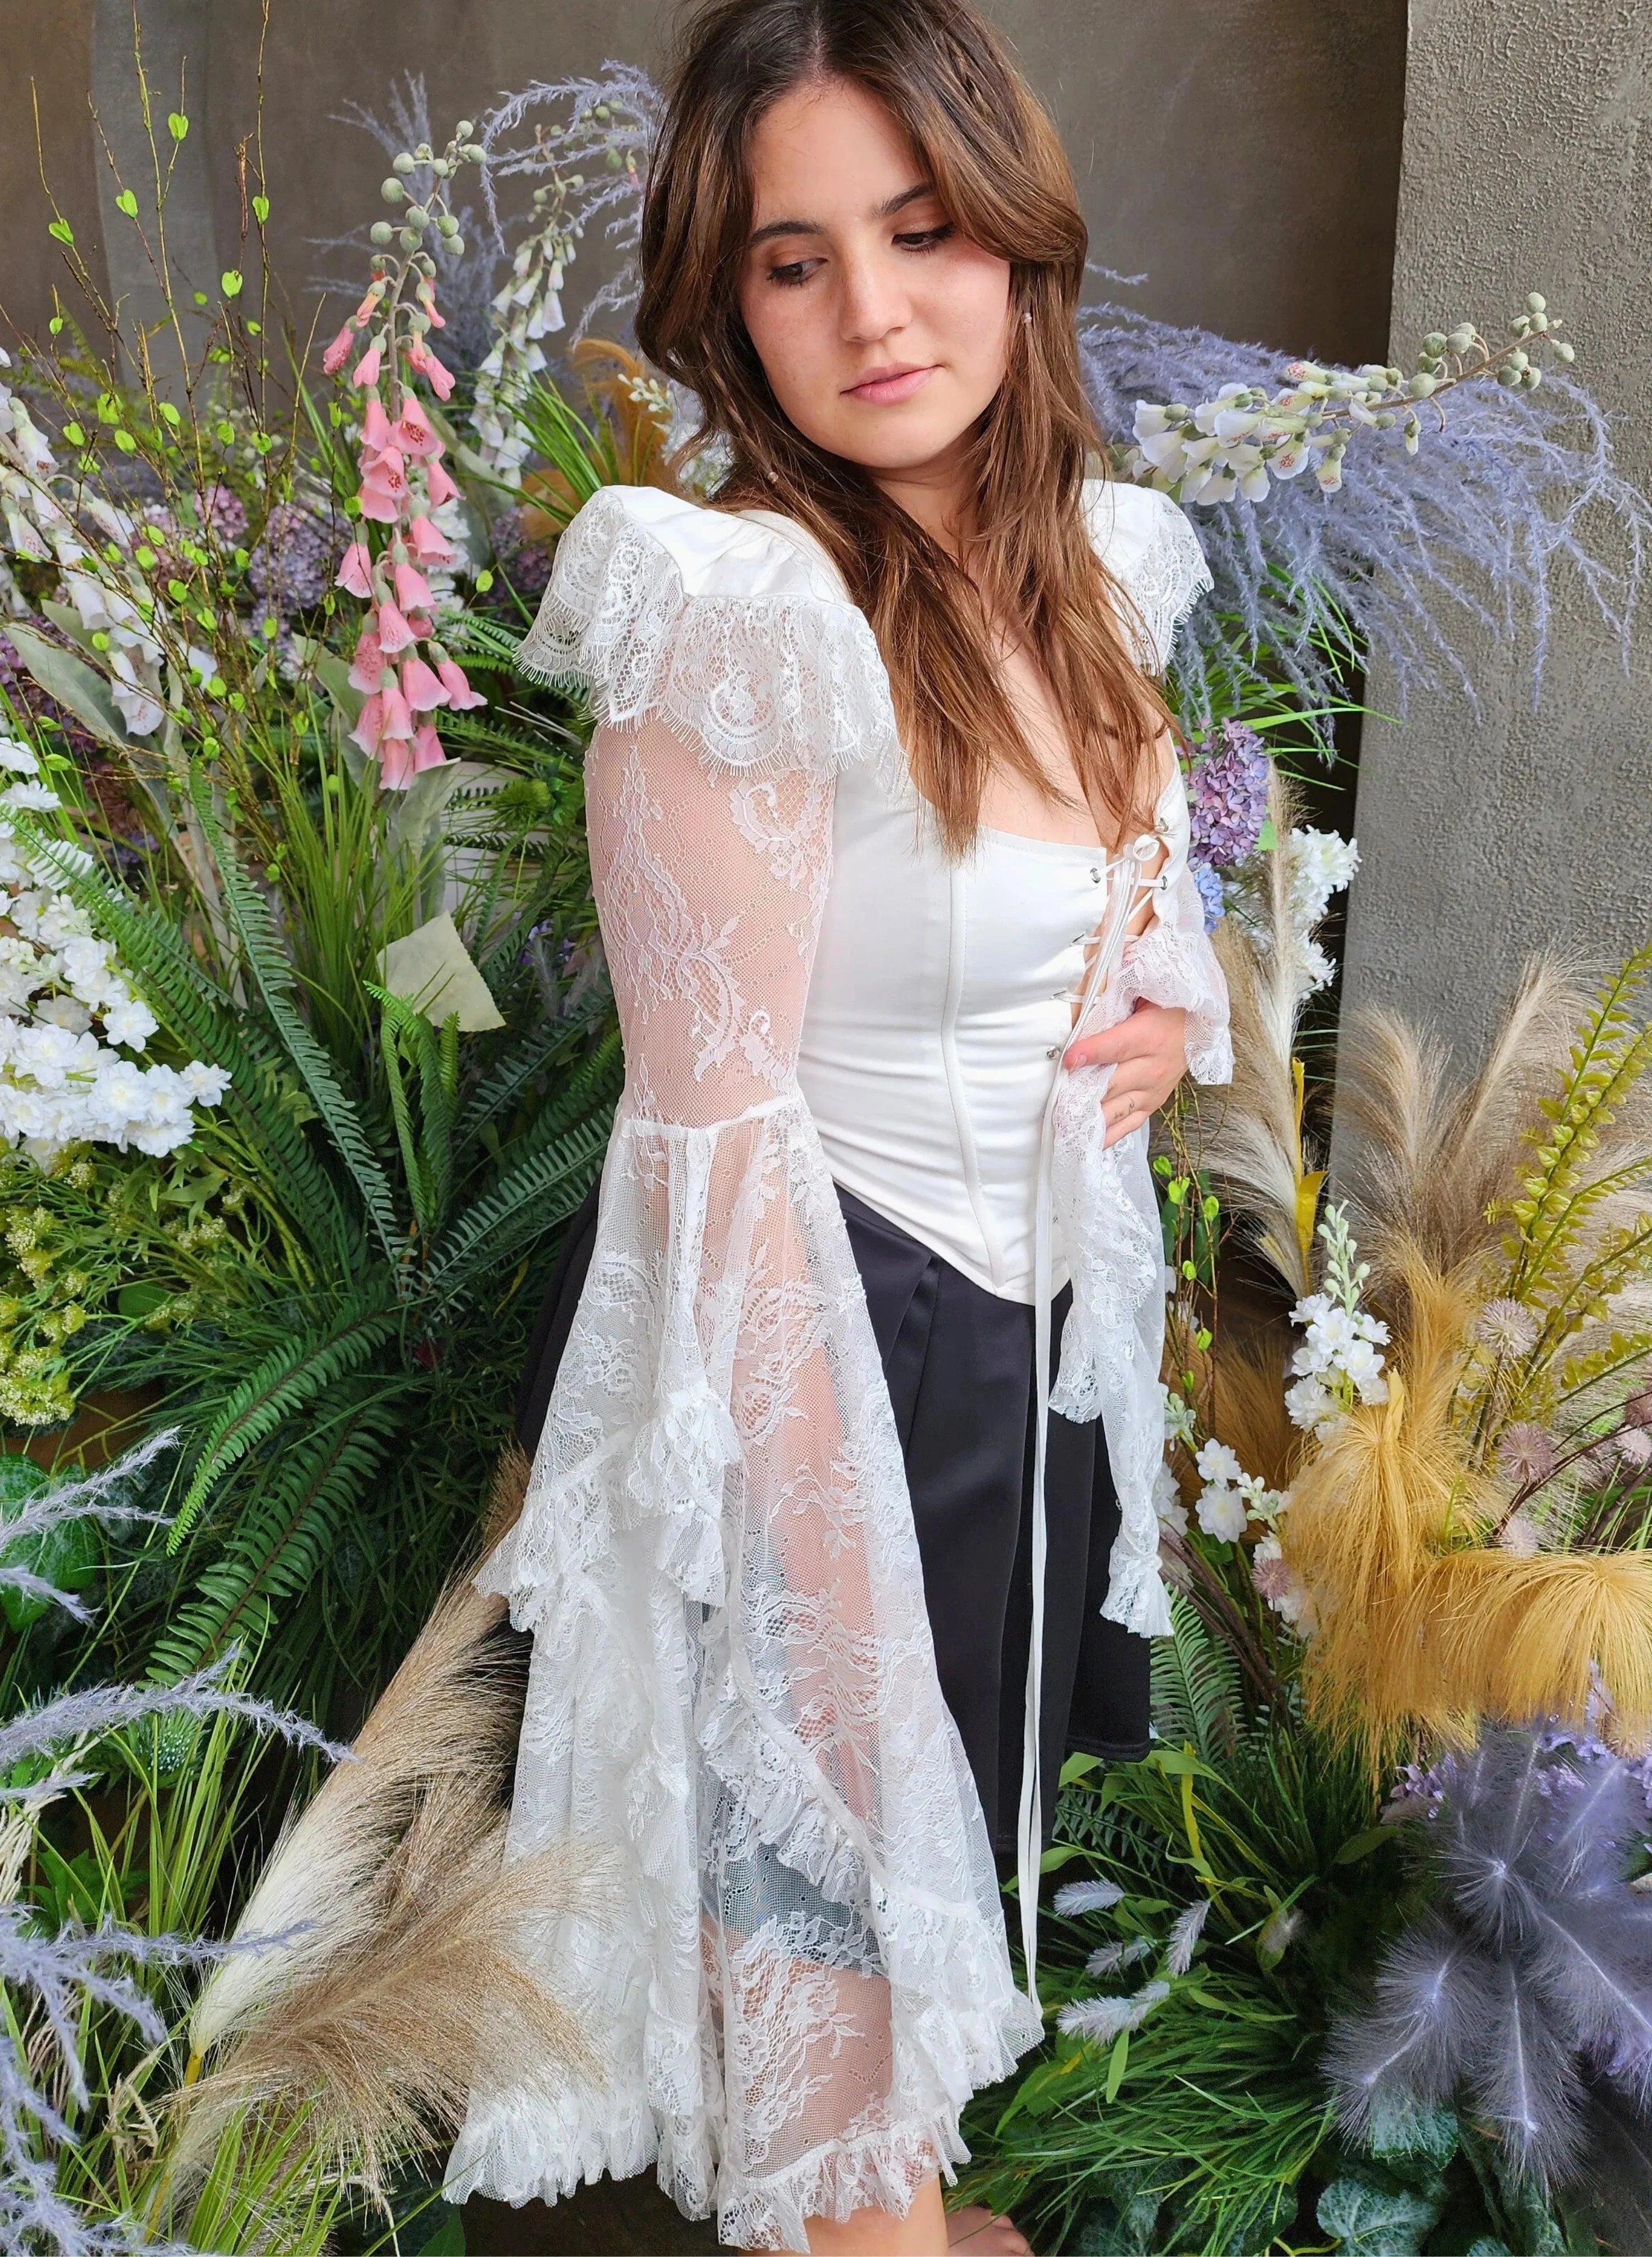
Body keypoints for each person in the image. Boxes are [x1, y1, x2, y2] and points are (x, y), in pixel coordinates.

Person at [446, 1, 1231, 2250]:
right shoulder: (735, 623)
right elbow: (715, 1182)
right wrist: (812, 1603)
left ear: (1017, 237)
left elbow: (1125, 907)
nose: (874, 310)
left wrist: (1173, 1034)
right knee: (825, 1929)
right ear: (729, 297)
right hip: (828, 1364)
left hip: (1023, 1364)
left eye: (919, 228)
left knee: (949, 1908)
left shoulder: (1099, 567)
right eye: (797, 261)